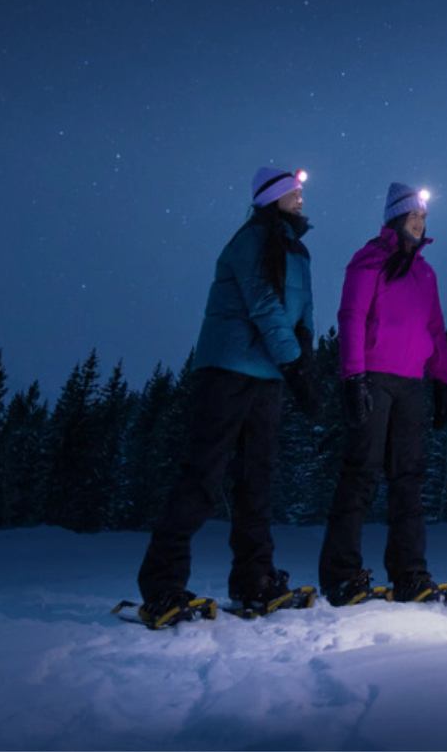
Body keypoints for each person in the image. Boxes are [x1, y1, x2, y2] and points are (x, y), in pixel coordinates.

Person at [132, 165, 322, 628]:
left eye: (300, 192)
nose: (301, 198)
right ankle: (162, 584)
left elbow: (302, 311)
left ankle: (254, 579)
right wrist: (294, 361)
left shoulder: (297, 248)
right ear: (271, 197)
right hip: (229, 370)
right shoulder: (251, 241)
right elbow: (263, 304)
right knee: (203, 474)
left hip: (267, 376)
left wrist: (305, 357)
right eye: (293, 192)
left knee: (256, 479)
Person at [318, 182, 447, 606]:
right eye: (414, 216)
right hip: (374, 378)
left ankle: (410, 573)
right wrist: (352, 377)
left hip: (411, 384)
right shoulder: (369, 261)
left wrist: (443, 380)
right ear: (396, 218)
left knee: (408, 481)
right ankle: (342, 575)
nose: (421, 222)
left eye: (424, 217)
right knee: (360, 474)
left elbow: (434, 328)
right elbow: (352, 317)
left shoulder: (425, 272)